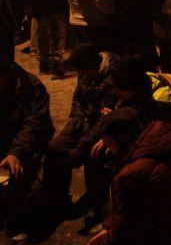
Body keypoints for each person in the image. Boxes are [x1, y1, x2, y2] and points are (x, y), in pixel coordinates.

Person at [84, 107, 171, 245]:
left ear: (114, 142)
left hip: (166, 237)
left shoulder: (130, 176)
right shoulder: (164, 136)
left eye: (107, 143)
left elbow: (124, 235)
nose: (106, 148)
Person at [40, 45, 115, 221]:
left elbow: (105, 119)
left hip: (104, 130)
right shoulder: (85, 71)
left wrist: (80, 148)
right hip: (85, 123)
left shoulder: (113, 77)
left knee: (92, 155)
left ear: (94, 66)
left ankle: (98, 205)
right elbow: (78, 99)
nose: (80, 74)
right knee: (56, 148)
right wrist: (74, 121)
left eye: (82, 71)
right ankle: (55, 200)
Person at [0, 55, 54, 240]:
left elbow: (34, 126)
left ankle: (22, 217)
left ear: (8, 75)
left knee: (18, 174)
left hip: (30, 143)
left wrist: (15, 153)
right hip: (5, 139)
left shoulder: (31, 88)